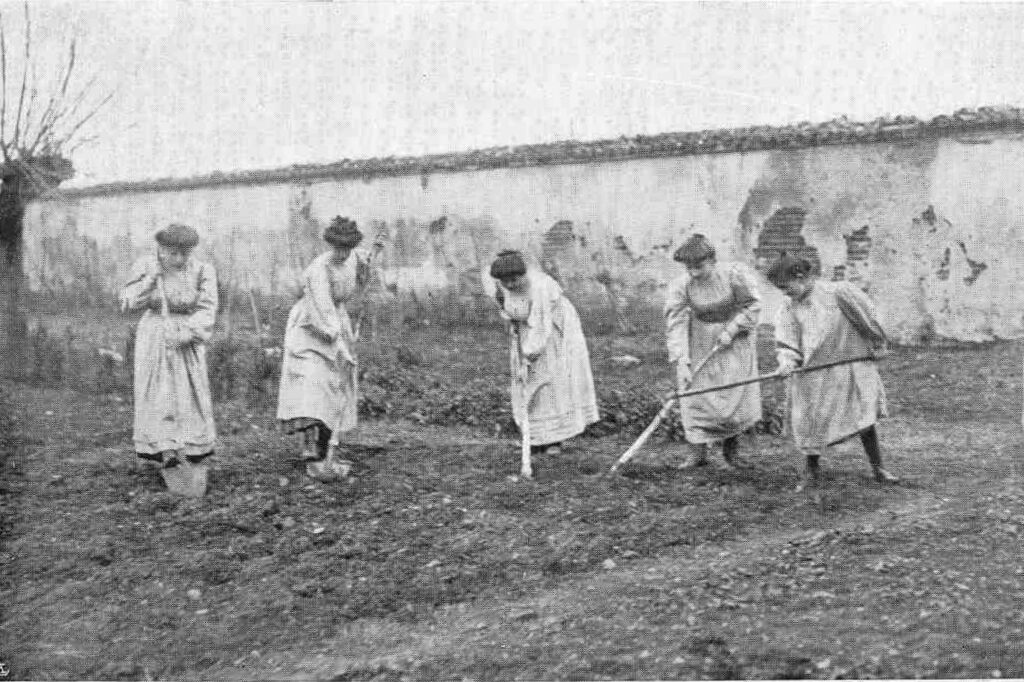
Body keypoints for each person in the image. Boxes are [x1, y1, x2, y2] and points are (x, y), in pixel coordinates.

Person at [767, 252, 899, 491]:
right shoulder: (789, 307)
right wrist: (787, 362)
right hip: (813, 373)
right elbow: (787, 340)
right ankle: (811, 471)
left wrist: (876, 344)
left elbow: (867, 319)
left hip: (849, 365)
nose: (785, 294)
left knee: (864, 417)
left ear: (801, 277)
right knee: (809, 422)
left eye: (787, 288)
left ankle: (878, 467)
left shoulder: (839, 294)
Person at [119, 223, 218, 495]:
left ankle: (191, 450)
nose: (178, 259)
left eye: (184, 253)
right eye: (172, 253)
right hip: (155, 338)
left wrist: (187, 334)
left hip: (187, 339)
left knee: (189, 395)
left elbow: (208, 309)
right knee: (160, 394)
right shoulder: (147, 266)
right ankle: (166, 451)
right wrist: (150, 279)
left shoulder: (202, 271)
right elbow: (127, 303)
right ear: (160, 249)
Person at [276, 216, 372, 481]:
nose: (342, 254)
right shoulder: (319, 269)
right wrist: (339, 344)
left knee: (336, 385)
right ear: (330, 245)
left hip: (338, 321)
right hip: (311, 326)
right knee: (312, 383)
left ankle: (327, 446)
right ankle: (310, 443)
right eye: (338, 248)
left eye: (347, 249)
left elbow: (363, 268)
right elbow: (324, 310)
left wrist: (369, 263)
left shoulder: (353, 258)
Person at [664, 233, 762, 469]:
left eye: (699, 266)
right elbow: (675, 322)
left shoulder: (733, 275)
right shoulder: (682, 285)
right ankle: (696, 453)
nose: (694, 272)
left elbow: (753, 304)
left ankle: (731, 452)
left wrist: (733, 328)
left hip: (732, 343)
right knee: (695, 394)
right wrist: (681, 360)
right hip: (699, 341)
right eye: (689, 267)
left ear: (713, 260)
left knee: (730, 394)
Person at [490, 249, 599, 456]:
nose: (510, 285)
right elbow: (511, 311)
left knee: (550, 381)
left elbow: (541, 325)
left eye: (514, 279)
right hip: (526, 332)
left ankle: (554, 439)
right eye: (506, 281)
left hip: (555, 334)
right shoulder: (501, 287)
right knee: (527, 383)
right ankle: (533, 437)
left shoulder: (541, 287)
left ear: (523, 274)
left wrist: (530, 354)